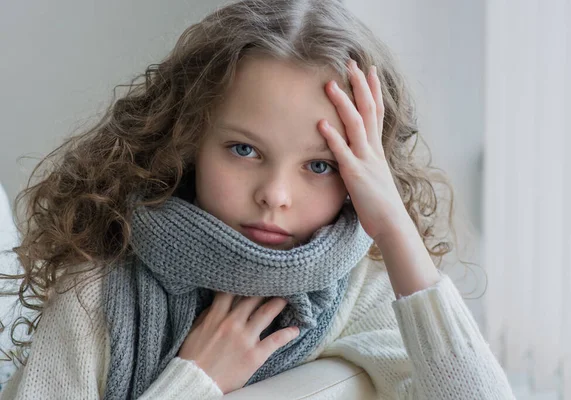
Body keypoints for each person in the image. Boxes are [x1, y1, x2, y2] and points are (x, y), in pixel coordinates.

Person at [0, 0, 516, 398]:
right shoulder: (96, 288)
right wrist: (194, 380)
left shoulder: (360, 291)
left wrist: (397, 231)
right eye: (244, 149)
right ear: (186, 141)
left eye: (320, 166)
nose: (275, 194)